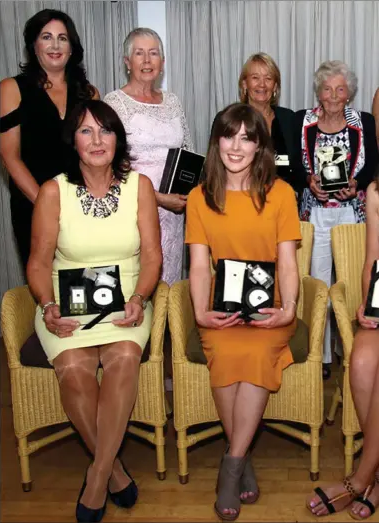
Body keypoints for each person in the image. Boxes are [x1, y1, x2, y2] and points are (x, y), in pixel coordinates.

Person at [27, 100, 162, 523]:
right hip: (68, 302)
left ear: (118, 138)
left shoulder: (139, 186)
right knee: (73, 367)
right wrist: (48, 306)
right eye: (86, 131)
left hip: (126, 300)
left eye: (105, 130)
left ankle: (98, 474)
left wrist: (139, 297)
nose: (97, 140)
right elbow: (37, 263)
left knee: (123, 357)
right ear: (74, 141)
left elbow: (154, 258)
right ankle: (115, 471)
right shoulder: (53, 191)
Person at [186, 102, 301, 521]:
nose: (237, 146)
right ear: (216, 141)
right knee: (226, 352)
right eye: (229, 135)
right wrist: (200, 311)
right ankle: (243, 458)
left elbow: (287, 261)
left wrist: (288, 310)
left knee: (253, 354)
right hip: (221, 309)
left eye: (247, 138)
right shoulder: (200, 197)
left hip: (268, 307)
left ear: (259, 146)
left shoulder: (281, 193)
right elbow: (199, 265)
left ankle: (230, 467)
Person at [296, 60, 379, 378]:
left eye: (340, 89)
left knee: (350, 281)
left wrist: (357, 184)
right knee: (319, 285)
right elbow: (296, 166)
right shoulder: (302, 122)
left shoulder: (363, 121)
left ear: (349, 94)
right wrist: (308, 180)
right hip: (315, 212)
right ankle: (323, 355)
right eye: (327, 88)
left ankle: (351, 347)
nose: (332, 95)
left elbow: (372, 162)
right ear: (318, 91)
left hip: (352, 212)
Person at [0, 8, 99, 270]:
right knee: (47, 287)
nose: (55, 45)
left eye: (62, 38)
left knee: (86, 285)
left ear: (71, 47)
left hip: (82, 204)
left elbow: (97, 154)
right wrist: (47, 204)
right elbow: (10, 157)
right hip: (32, 203)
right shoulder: (11, 88)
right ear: (34, 45)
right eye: (46, 37)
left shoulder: (89, 94)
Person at [306, 172, 379, 519]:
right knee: (362, 361)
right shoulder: (376, 192)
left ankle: (362, 477)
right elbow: (372, 262)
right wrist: (368, 303)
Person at [104, 27, 193, 286]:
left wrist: (187, 194)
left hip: (175, 212)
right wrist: (158, 198)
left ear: (162, 63)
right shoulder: (114, 103)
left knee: (169, 285)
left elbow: (186, 150)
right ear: (127, 62)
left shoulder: (173, 101)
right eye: (139, 53)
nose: (146, 60)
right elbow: (109, 168)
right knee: (139, 287)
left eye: (153, 53)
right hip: (135, 209)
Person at [238, 52, 299, 193]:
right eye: (255, 78)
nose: (262, 84)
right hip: (243, 198)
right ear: (244, 84)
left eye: (268, 78)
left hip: (284, 202)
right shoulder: (231, 119)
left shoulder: (289, 118)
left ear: (275, 86)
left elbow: (298, 166)